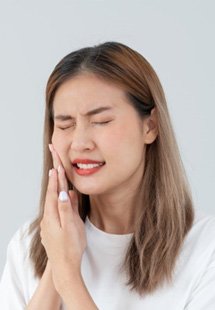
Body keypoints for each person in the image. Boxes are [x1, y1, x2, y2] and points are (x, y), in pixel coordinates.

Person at [0, 41, 215, 310]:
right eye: (65, 124)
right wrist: (54, 265)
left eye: (101, 121)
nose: (79, 143)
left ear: (150, 126)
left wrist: (68, 276)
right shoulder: (29, 245)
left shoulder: (206, 249)